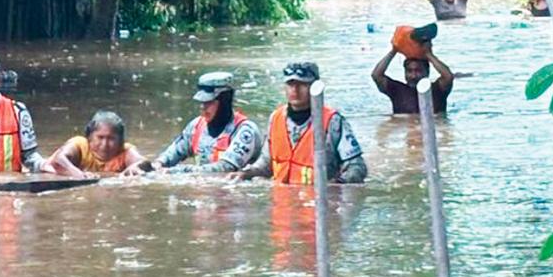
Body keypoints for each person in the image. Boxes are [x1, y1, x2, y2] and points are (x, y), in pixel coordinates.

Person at [232, 62, 366, 184]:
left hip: (319, 204)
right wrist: (245, 174)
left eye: (302, 84)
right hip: (282, 204)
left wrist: (336, 187)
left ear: (315, 87)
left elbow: (357, 167)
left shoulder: (333, 121)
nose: (295, 90)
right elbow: (266, 164)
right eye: (290, 84)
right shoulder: (276, 118)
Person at [124, 71, 261, 175]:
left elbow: (224, 169)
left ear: (225, 101)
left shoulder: (245, 132)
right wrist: (154, 166)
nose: (202, 107)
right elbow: (172, 153)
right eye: (201, 103)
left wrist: (175, 172)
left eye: (208, 102)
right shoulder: (196, 127)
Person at [372, 30, 454, 115]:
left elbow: (448, 77)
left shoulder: (438, 90)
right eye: (409, 71)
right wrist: (393, 51)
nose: (413, 76)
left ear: (427, 72)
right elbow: (376, 75)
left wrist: (429, 54)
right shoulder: (397, 90)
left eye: (418, 71)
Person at [45, 111, 145, 177]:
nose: (105, 144)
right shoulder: (80, 145)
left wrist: (135, 167)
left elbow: (144, 162)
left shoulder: (125, 151)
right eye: (100, 137)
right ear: (89, 137)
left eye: (111, 139)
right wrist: (78, 174)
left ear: (120, 140)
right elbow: (58, 160)